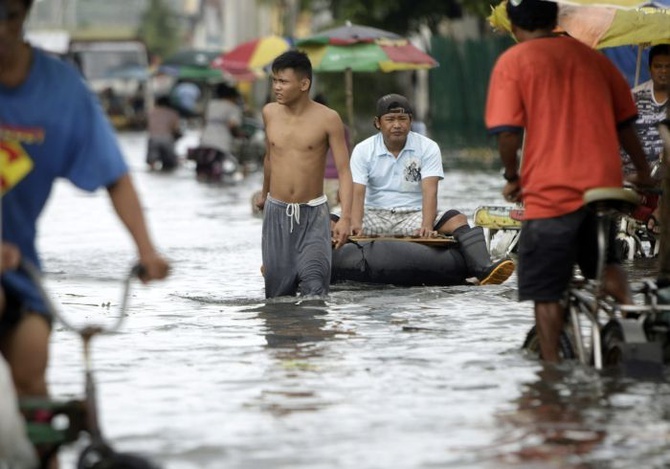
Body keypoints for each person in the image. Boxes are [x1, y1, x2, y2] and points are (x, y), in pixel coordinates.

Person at [0, 0, 170, 463]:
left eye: (8, 15)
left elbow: (115, 175)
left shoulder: (61, 92)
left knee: (34, 374)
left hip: (18, 272)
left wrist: (147, 251)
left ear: (25, 14)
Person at [485, 0, 653, 363]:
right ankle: (631, 317)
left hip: (551, 193)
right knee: (605, 265)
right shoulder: (595, 60)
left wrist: (512, 176)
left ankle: (551, 370)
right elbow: (626, 126)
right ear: (555, 18)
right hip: (604, 189)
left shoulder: (514, 62)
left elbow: (508, 135)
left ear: (514, 24)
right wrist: (641, 170)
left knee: (545, 290)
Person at [350, 93, 515, 286]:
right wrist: (355, 224)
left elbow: (430, 190)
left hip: (413, 215)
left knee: (458, 219)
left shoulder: (428, 147)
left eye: (402, 119)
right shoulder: (363, 150)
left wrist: (427, 226)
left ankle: (484, 269)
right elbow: (357, 191)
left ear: (411, 121)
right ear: (377, 123)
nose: (397, 125)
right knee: (329, 221)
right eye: (390, 120)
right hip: (374, 214)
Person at [255, 50, 353, 299]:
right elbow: (269, 158)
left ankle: (313, 338)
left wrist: (345, 218)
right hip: (276, 212)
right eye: (274, 81)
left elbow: (344, 171)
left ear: (304, 84)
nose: (277, 87)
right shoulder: (269, 113)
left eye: (283, 82)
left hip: (313, 214)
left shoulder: (328, 119)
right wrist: (264, 194)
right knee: (278, 295)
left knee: (316, 289)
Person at [621, 44, 669, 235]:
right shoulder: (634, 97)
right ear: (650, 69)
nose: (663, 71)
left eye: (668, 66)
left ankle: (661, 210)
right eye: (658, 66)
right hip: (633, 174)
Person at [190, 82, 243, 181]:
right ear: (232, 97)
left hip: (205, 140)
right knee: (215, 172)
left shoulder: (211, 104)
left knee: (202, 170)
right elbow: (232, 124)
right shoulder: (233, 108)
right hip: (221, 143)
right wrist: (239, 134)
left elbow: (204, 121)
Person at [313, 93, 351, 207]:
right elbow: (347, 153)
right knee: (334, 216)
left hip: (320, 179)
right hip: (335, 179)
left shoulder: (311, 128)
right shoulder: (341, 127)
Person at [146, 94, 182, 171]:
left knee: (151, 163)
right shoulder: (173, 113)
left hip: (153, 138)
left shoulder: (151, 113)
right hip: (167, 139)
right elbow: (176, 129)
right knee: (170, 165)